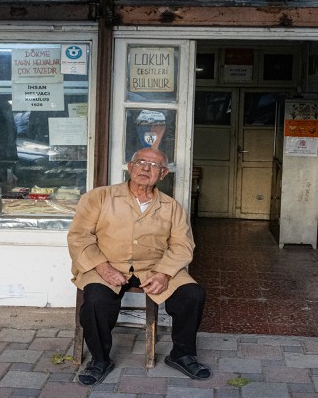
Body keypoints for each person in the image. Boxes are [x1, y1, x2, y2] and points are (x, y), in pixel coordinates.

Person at [67, 147, 211, 386]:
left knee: (192, 295)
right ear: (130, 167)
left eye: (154, 165)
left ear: (163, 174)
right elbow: (79, 237)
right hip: (106, 263)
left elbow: (183, 245)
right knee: (95, 299)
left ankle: (182, 354)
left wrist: (164, 273)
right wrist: (102, 267)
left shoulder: (171, 206)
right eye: (141, 162)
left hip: (155, 266)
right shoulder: (99, 197)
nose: (146, 168)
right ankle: (100, 360)